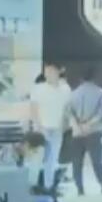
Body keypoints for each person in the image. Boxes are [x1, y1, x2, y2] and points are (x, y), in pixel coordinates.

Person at [68, 66, 102, 196]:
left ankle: (80, 189)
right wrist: (89, 124)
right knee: (97, 161)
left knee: (77, 162)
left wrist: (77, 126)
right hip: (94, 131)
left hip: (77, 132)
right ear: (94, 77)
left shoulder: (73, 93)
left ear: (80, 78)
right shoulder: (100, 92)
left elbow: (69, 112)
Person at [28, 62, 72, 192]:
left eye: (51, 71)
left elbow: (68, 109)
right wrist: (38, 126)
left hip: (57, 129)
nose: (48, 74)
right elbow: (34, 108)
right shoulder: (38, 89)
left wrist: (64, 125)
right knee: (37, 158)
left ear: (58, 72)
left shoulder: (65, 89)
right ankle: (32, 185)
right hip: (42, 129)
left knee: (52, 159)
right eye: (46, 71)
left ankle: (49, 186)